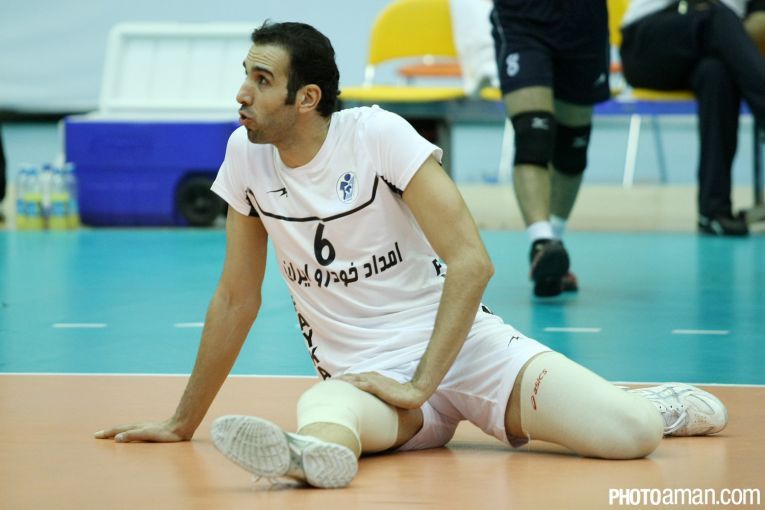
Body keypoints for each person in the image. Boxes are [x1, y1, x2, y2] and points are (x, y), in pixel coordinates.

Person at [94, 22, 727, 489]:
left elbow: (472, 261)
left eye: (262, 81)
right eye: (246, 75)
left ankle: (655, 405)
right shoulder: (245, 157)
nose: (242, 93)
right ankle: (307, 458)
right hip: (367, 376)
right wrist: (182, 421)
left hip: (464, 349)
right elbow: (236, 298)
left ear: (306, 98)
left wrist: (422, 380)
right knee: (326, 408)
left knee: (628, 436)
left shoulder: (378, 135)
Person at [488, 1, 611, 297]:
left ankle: (554, 247)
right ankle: (541, 241)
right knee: (533, 134)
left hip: (584, 21)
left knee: (573, 147)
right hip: (523, 17)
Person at [620, 0, 765, 236]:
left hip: (711, 46)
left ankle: (713, 211)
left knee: (716, 74)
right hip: (648, 42)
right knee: (715, 15)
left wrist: (736, 32)